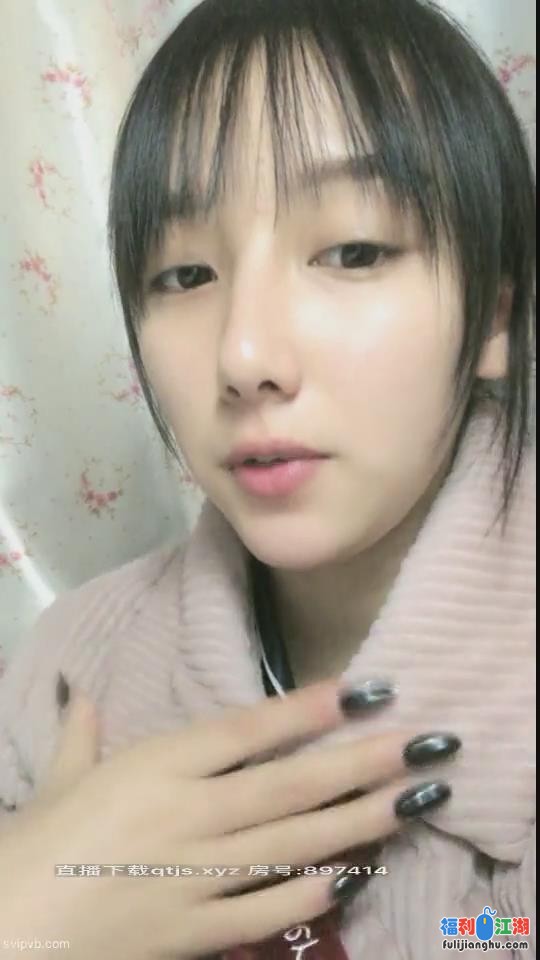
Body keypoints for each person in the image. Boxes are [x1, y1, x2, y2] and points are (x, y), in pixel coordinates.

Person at [0, 0, 535, 957]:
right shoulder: (66, 675)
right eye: (185, 274)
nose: (244, 356)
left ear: (495, 317)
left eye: (353, 251)